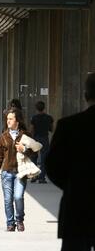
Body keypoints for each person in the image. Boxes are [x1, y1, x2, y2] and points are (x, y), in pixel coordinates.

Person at [46, 73, 95, 251]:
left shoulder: (68, 125)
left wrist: (72, 185)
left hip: (77, 206)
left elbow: (51, 166)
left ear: (85, 95)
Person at [0, 108, 34, 232]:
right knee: (7, 199)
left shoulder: (25, 135)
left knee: (18, 197)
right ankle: (10, 223)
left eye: (11, 119)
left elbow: (34, 151)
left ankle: (19, 220)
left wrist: (24, 149)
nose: (8, 121)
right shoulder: (3, 136)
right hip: (6, 172)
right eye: (7, 119)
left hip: (20, 172)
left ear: (17, 121)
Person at [30, 101, 54, 184]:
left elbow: (32, 129)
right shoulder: (49, 118)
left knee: (33, 158)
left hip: (36, 138)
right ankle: (42, 178)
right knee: (44, 158)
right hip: (44, 139)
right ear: (44, 108)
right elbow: (51, 129)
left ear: (36, 108)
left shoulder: (34, 118)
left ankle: (34, 176)